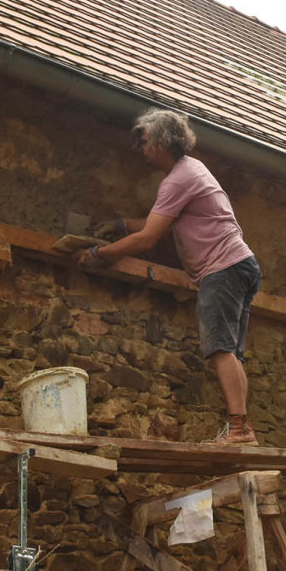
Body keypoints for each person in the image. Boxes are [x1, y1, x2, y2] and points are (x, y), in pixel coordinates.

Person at [80, 108, 262, 445]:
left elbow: (148, 238)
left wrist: (100, 254)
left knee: (221, 348)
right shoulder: (192, 170)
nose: (143, 149)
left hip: (221, 270)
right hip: (241, 265)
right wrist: (122, 224)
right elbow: (159, 224)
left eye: (147, 142)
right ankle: (242, 427)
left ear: (164, 142)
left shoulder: (178, 179)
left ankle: (238, 430)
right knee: (232, 352)